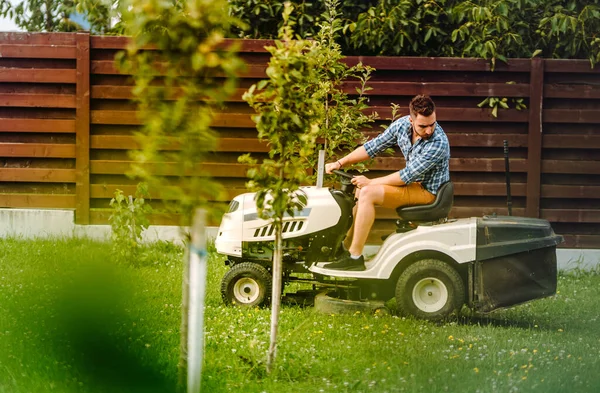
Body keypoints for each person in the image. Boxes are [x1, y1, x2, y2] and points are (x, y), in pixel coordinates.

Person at [323, 95, 450, 271]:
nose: (429, 130)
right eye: (423, 126)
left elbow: (407, 175)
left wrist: (371, 183)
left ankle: (355, 257)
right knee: (360, 193)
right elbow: (372, 147)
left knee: (367, 192)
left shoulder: (438, 143)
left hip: (428, 192)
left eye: (432, 124)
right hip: (413, 186)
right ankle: (343, 249)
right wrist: (340, 163)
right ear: (411, 120)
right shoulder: (401, 126)